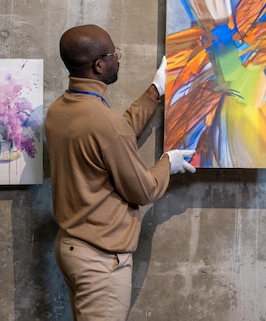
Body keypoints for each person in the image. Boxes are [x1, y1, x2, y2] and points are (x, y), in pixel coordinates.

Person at [45, 24, 196, 321]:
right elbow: (144, 190)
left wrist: (155, 91)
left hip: (72, 248)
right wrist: (168, 162)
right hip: (99, 260)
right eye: (114, 54)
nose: (119, 59)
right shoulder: (104, 122)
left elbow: (113, 134)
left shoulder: (59, 110)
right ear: (99, 65)